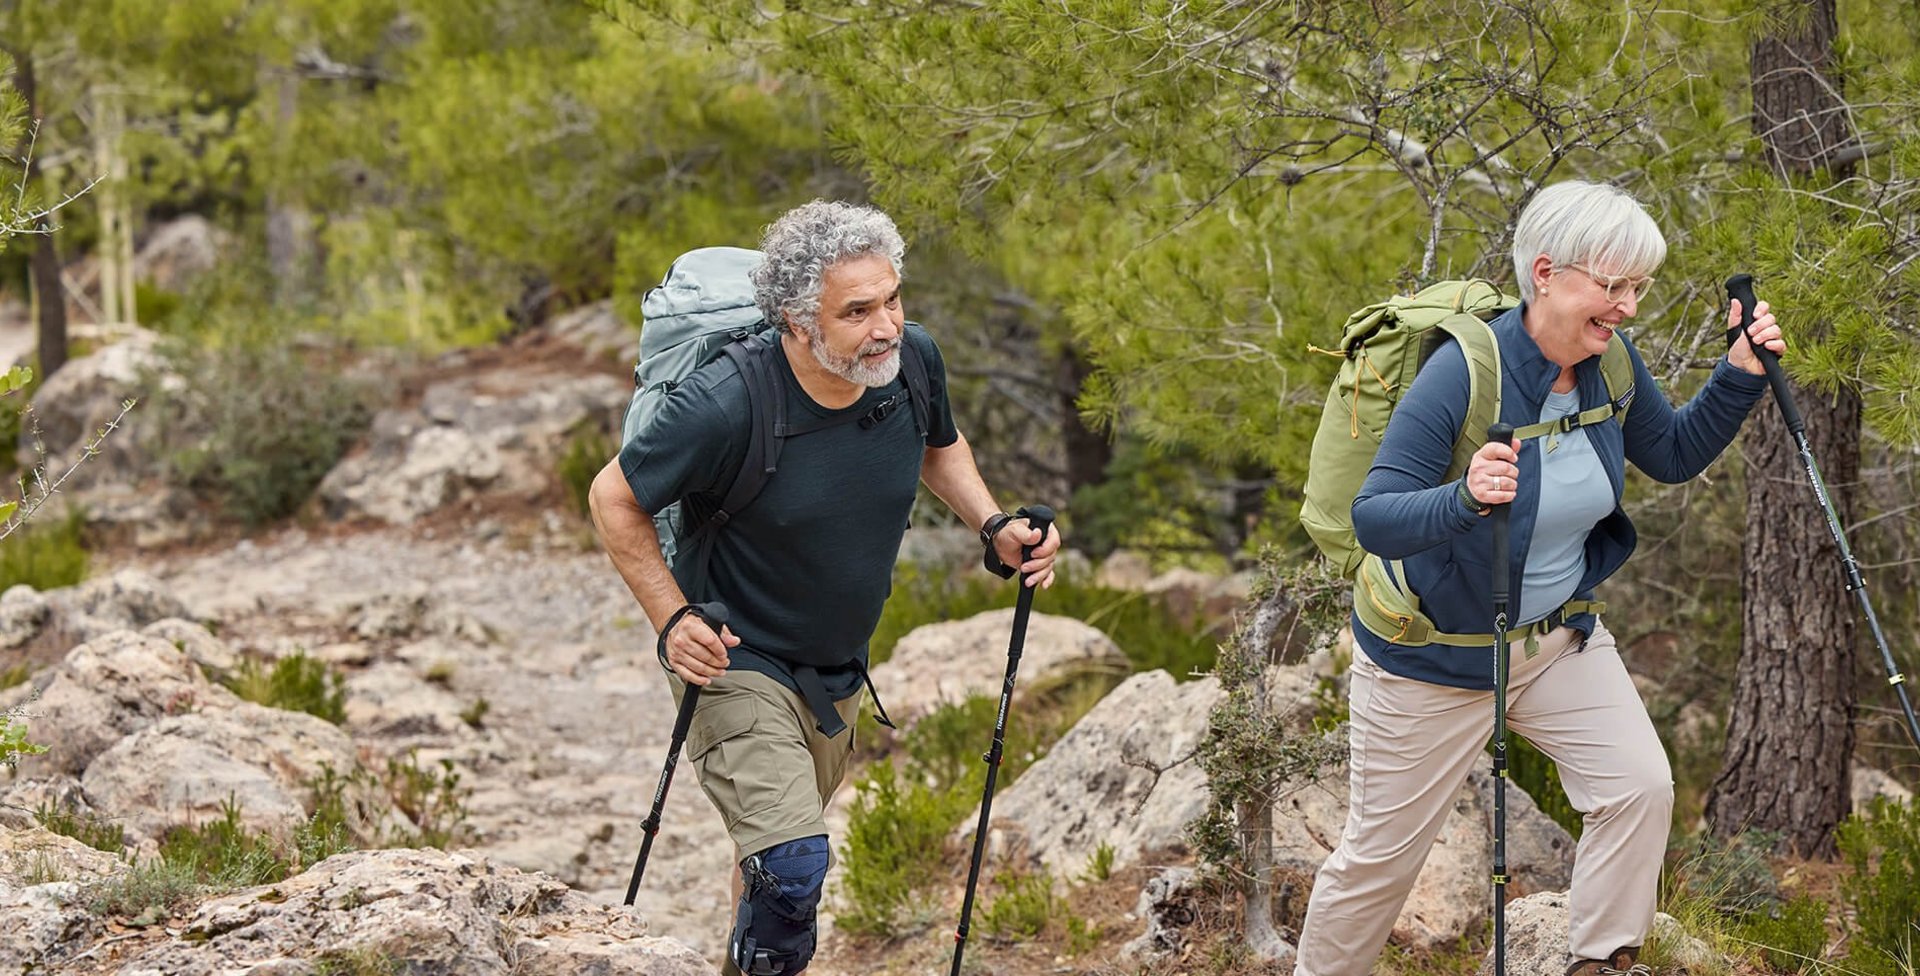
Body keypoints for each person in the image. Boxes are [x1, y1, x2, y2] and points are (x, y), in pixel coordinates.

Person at [1292, 180, 1786, 976]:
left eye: (1638, 288)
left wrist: (1738, 373)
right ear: (1548, 273)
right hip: (1434, 657)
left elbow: (1671, 455)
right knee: (1380, 864)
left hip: (1556, 642)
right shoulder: (1464, 372)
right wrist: (1464, 496)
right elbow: (1375, 517)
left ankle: (1596, 962)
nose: (1627, 306)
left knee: (1638, 788)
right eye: (1613, 285)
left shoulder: (1607, 363)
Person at [587, 199, 1060, 976]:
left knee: (772, 858)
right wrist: (671, 621)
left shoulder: (911, 361)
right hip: (736, 658)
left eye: (893, 299)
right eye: (859, 311)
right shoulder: (729, 401)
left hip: (836, 669)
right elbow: (614, 497)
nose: (887, 326)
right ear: (798, 323)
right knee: (795, 867)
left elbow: (939, 447)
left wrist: (992, 525)